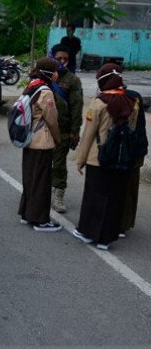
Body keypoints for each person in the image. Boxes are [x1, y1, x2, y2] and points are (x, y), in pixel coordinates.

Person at [73, 64, 141, 250]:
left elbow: (88, 135)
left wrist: (80, 160)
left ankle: (88, 232)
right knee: (114, 198)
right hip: (121, 158)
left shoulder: (98, 103)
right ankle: (106, 239)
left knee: (94, 196)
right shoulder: (132, 102)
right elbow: (132, 131)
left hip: (98, 158)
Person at [18, 58, 62, 232]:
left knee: (30, 179)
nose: (58, 74)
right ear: (48, 72)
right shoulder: (46, 92)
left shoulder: (31, 85)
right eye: (55, 70)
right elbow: (51, 119)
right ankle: (39, 220)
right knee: (41, 182)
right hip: (41, 142)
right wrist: (58, 139)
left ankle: (26, 213)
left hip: (28, 140)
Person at [48, 44, 84, 214]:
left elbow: (77, 107)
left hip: (62, 130)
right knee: (41, 162)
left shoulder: (73, 80)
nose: (62, 62)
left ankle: (58, 196)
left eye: (65, 59)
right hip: (43, 129)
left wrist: (74, 132)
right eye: (59, 58)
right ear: (52, 57)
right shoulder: (45, 76)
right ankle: (39, 192)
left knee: (59, 165)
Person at [121, 89, 148, 237]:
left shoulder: (128, 99)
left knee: (127, 186)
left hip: (131, 150)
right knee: (130, 187)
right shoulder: (133, 96)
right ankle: (124, 223)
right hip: (136, 148)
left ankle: (122, 224)